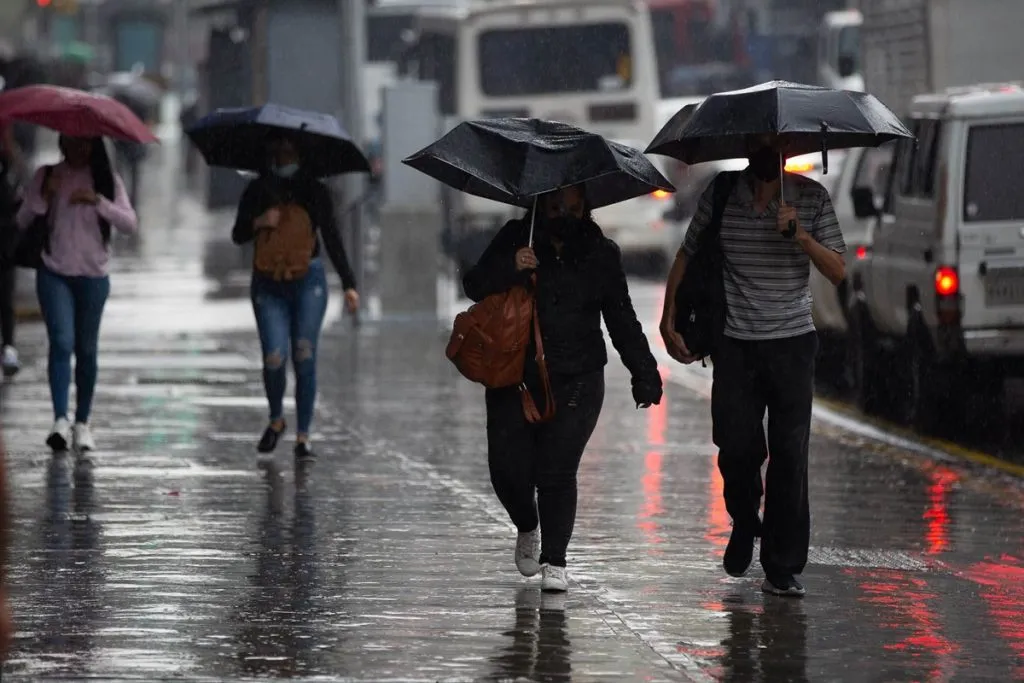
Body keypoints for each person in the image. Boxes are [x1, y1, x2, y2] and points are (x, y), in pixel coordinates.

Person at [659, 134, 846, 597]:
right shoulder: (722, 192)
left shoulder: (811, 197)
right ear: (747, 148)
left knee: (789, 455)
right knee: (737, 449)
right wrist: (666, 316)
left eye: (775, 147)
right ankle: (745, 519)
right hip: (735, 347)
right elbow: (687, 253)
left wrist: (799, 234)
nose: (767, 154)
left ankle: (781, 565)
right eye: (759, 145)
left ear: (785, 151)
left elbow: (839, 270)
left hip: (792, 346)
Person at [463, 185, 663, 593]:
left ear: (585, 207)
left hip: (578, 377)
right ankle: (527, 522)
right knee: (507, 472)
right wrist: (511, 266)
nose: (564, 214)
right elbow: (474, 284)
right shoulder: (515, 237)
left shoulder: (600, 253)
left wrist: (644, 372)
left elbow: (621, 318)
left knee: (557, 469)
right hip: (514, 376)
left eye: (573, 207)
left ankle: (556, 560)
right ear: (540, 205)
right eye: (555, 206)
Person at [232, 133, 360, 461]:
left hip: (308, 282)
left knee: (304, 354)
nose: (285, 155)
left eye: (291, 149)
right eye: (279, 148)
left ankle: (304, 435)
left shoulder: (315, 191)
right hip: (268, 283)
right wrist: (260, 221)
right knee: (274, 356)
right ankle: (276, 419)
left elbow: (331, 235)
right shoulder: (257, 190)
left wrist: (348, 283)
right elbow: (238, 234)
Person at [16, 135, 139, 452]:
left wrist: (97, 201)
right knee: (61, 342)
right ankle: (60, 418)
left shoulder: (106, 180)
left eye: (85, 142)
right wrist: (45, 195)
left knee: (86, 349)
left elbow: (129, 223)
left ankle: (82, 422)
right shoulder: (46, 174)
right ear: (62, 141)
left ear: (94, 145)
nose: (78, 148)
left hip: (93, 277)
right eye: (73, 141)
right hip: (54, 271)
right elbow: (23, 219)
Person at [0, 125, 25, 378]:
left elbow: (16, 201)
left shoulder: (8, 163)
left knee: (6, 297)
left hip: (4, 242)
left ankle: (8, 345)